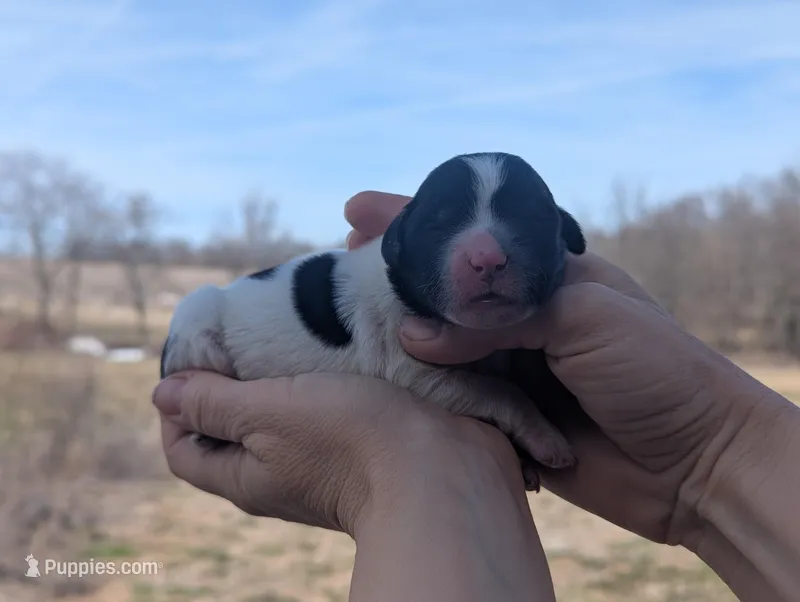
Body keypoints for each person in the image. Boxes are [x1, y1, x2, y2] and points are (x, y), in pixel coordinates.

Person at [152, 191, 800, 602]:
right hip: (231, 335)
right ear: (399, 246)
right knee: (199, 305)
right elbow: (420, 373)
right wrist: (713, 459)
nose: (489, 258)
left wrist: (709, 454)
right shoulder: (381, 294)